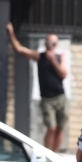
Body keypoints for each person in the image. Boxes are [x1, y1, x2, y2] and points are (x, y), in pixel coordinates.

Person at [7, 23, 68, 152]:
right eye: (48, 42)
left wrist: (53, 60)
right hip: (47, 99)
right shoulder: (39, 56)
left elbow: (63, 74)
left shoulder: (59, 57)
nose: (50, 45)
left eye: (53, 43)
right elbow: (19, 49)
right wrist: (11, 34)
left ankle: (55, 154)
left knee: (60, 127)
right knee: (51, 127)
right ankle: (47, 153)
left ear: (56, 45)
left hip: (60, 97)